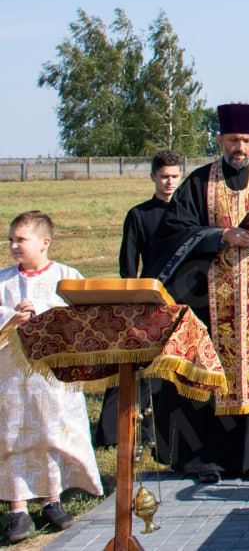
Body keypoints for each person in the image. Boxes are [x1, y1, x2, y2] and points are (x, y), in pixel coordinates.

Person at [147, 103, 249, 484]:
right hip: (206, 300)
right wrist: (220, 236)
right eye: (234, 140)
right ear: (220, 140)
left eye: (248, 140)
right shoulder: (200, 181)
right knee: (207, 374)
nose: (241, 147)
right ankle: (205, 458)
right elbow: (173, 232)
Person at [2, 211, 103, 542]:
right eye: (12, 239)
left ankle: (52, 501)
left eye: (21, 239)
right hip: (11, 382)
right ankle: (17, 510)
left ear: (45, 242)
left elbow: (85, 319)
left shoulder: (67, 276)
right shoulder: (3, 281)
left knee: (52, 435)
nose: (14, 245)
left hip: (53, 380)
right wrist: (10, 319)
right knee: (13, 439)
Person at [95, 150, 184, 448]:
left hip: (184, 295)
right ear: (153, 177)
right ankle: (117, 430)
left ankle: (172, 429)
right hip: (149, 296)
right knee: (138, 362)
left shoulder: (188, 213)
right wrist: (133, 298)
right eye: (163, 177)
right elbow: (128, 262)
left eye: (174, 176)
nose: (169, 182)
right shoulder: (139, 214)